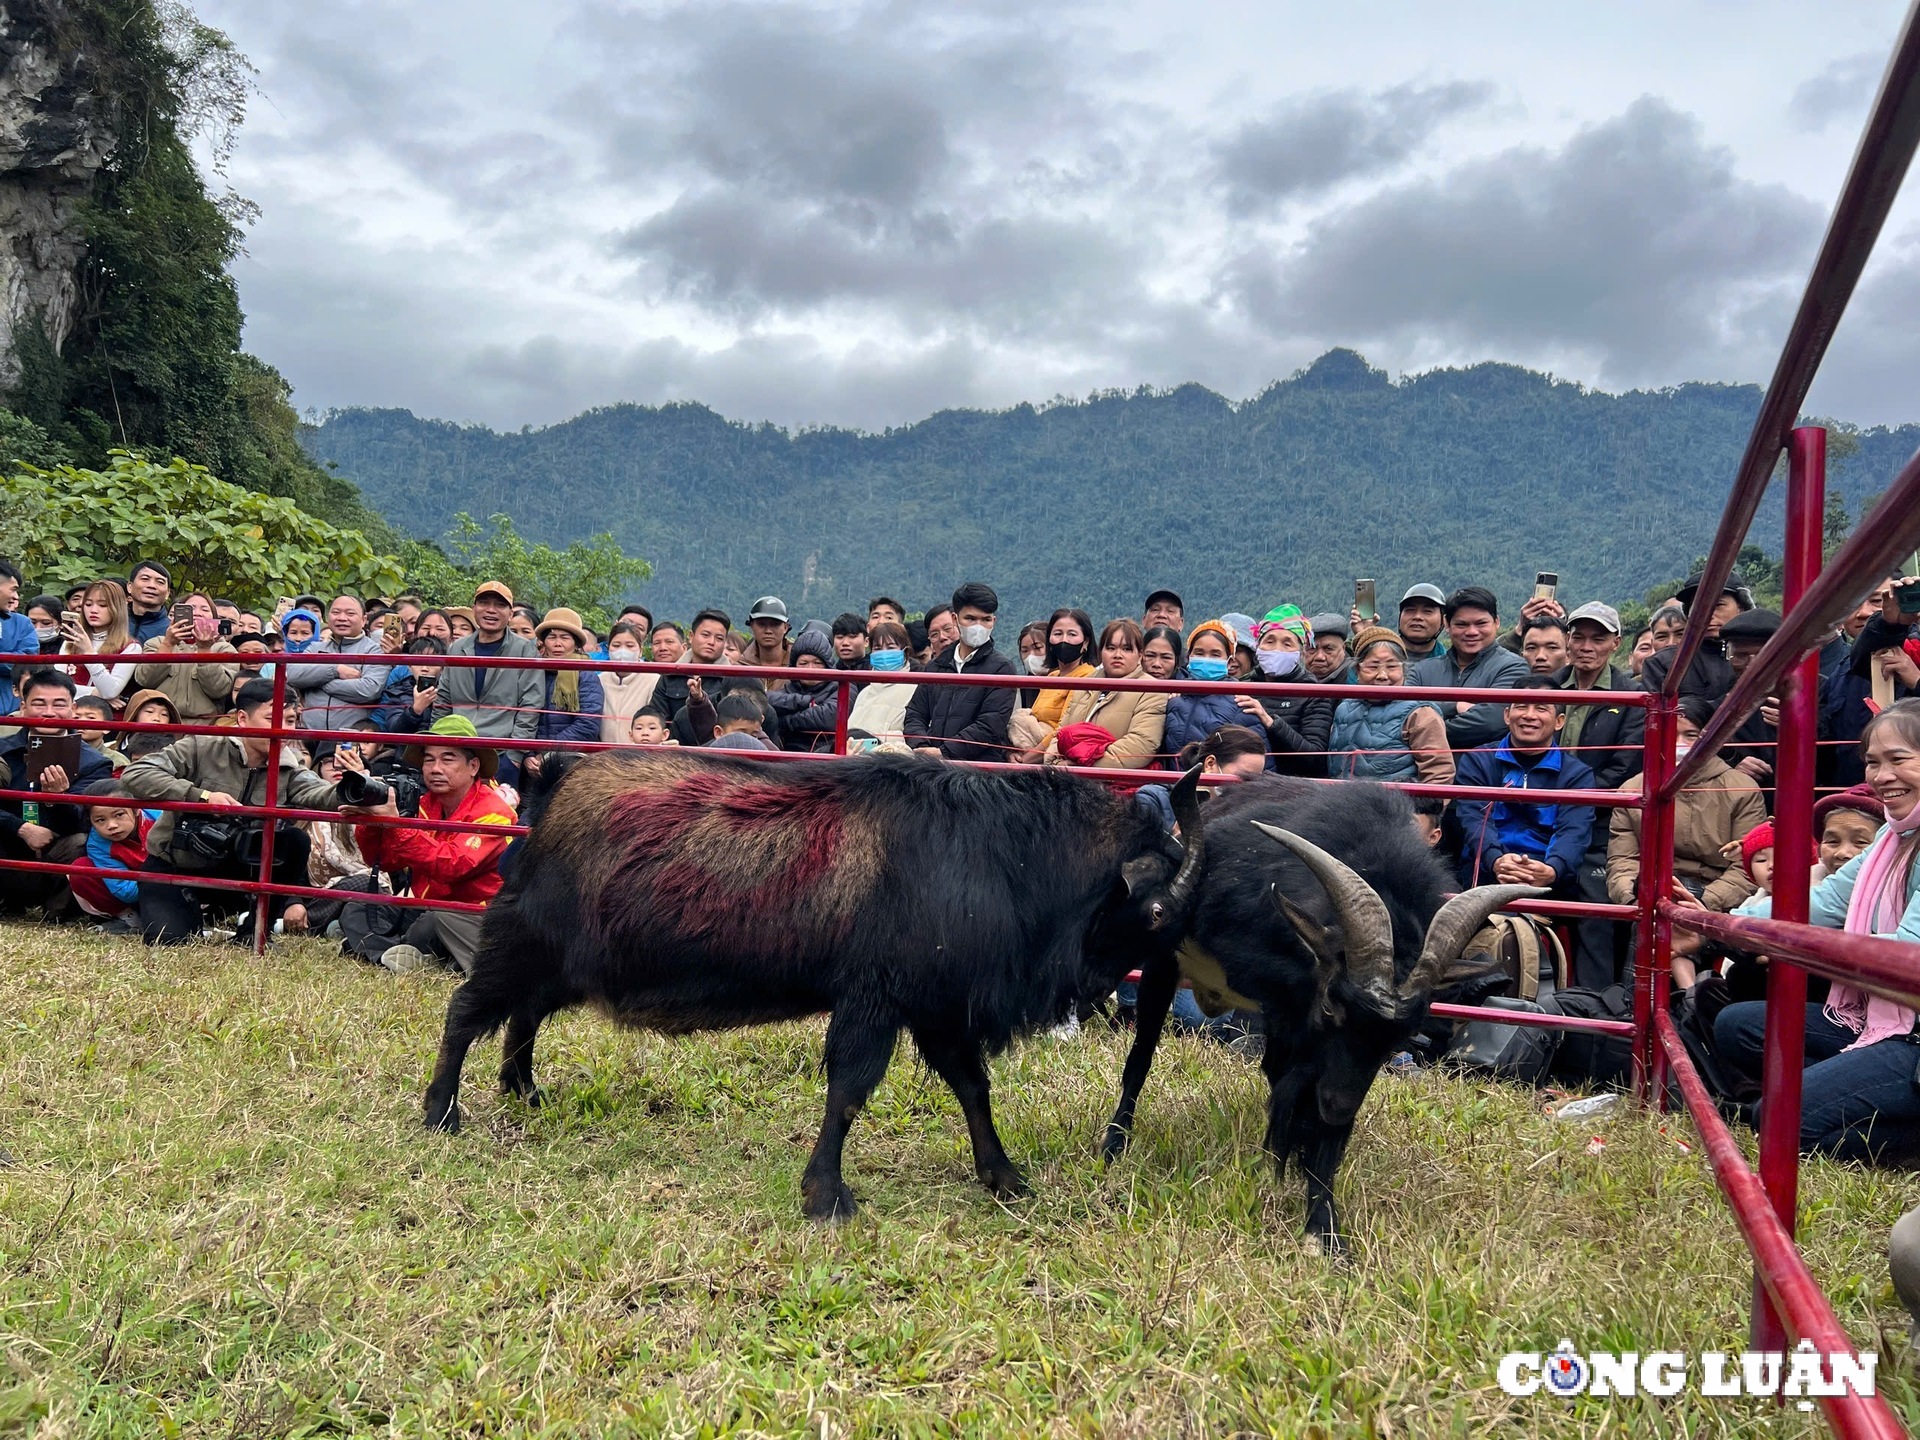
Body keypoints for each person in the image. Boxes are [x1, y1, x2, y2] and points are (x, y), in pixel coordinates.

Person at [1712, 701, 1920, 1162]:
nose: (1882, 775)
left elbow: (1908, 955)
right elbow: (1823, 903)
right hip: (1881, 1016)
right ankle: (1857, 1091)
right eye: (1873, 761)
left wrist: (1803, 950)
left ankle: (1902, 1130)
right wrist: (1727, 925)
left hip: (1913, 1031)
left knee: (1780, 1120)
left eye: (1899, 759)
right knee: (1737, 1026)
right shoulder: (1893, 837)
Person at [119, 678, 365, 945]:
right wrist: (201, 796)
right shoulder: (202, 746)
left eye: (291, 720)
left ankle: (256, 930)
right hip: (176, 864)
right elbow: (136, 773)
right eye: (272, 718)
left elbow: (322, 794)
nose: (283, 728)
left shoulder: (289, 767)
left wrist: (358, 783)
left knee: (295, 840)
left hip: (238, 868)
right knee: (168, 941)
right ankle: (189, 912)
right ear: (242, 718)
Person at [351, 715, 517, 975]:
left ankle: (391, 950)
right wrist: (372, 822)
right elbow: (383, 861)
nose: (435, 768)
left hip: (472, 918)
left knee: (435, 921)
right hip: (424, 906)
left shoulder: (495, 811)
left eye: (447, 758)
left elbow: (453, 865)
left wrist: (397, 825)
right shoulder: (422, 804)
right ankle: (390, 954)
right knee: (358, 906)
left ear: (473, 766)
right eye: (429, 759)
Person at [1607, 693, 1766, 918]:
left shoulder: (1741, 789)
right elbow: (1622, 860)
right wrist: (1634, 895)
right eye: (1670, 733)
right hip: (1650, 895)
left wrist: (1701, 901)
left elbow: (1748, 864)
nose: (1678, 744)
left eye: (1690, 735)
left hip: (1714, 901)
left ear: (1712, 738)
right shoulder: (1632, 789)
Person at [1555, 601, 1647, 989]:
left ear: (1616, 644)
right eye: (1579, 636)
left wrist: (1571, 795)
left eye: (1598, 638)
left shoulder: (1632, 697)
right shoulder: (1548, 687)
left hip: (1599, 822)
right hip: (1547, 816)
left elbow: (1623, 768)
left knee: (1595, 915)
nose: (1586, 646)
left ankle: (1592, 1009)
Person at [1452, 676, 1596, 895]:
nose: (1529, 715)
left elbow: (1574, 831)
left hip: (1546, 878)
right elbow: (1474, 820)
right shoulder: (1478, 760)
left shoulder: (1577, 774)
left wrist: (1552, 868)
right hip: (1485, 871)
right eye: (1521, 706)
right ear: (1507, 715)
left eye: (1541, 708)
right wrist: (1496, 860)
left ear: (1559, 721)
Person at [0, 669, 116, 913]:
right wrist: (21, 828)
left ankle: (57, 912)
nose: (49, 712)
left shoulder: (94, 762)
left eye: (59, 704)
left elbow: (85, 821)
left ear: (73, 709)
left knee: (83, 842)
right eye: (39, 703)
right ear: (22, 707)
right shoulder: (3, 750)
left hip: (56, 852)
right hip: (6, 847)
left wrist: (59, 799)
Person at [432, 581, 543, 788]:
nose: (491, 610)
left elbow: (530, 705)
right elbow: (443, 701)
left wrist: (514, 756)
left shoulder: (524, 651)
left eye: (499, 605)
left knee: (494, 815)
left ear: (510, 613)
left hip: (500, 751)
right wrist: (436, 743)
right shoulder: (457, 648)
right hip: (456, 747)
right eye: (484, 603)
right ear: (474, 608)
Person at [1326, 627, 1454, 786]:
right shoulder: (1344, 708)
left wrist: (1422, 812)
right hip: (1342, 805)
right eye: (1373, 666)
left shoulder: (1420, 713)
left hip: (1395, 808)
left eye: (1392, 666)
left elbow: (1439, 772)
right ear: (1358, 671)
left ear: (1404, 671)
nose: (1382, 675)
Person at [904, 582, 1016, 762]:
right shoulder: (936, 667)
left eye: (986, 619)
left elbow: (989, 725)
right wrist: (921, 745)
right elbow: (915, 713)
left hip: (979, 772)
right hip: (933, 767)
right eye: (970, 619)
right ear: (956, 620)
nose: (978, 626)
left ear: (993, 622)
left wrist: (944, 752)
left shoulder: (1002, 668)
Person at [1409, 586, 1529, 750]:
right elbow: (1403, 715)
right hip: (1425, 770)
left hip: (1485, 770)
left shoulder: (1513, 667)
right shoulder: (1422, 670)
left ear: (1496, 622)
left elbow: (1491, 722)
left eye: (1481, 623)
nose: (1472, 632)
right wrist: (1455, 706)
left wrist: (1424, 730)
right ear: (1447, 625)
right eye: (1461, 624)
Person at [1043, 619, 1167, 769]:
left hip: (1110, 782)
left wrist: (1084, 763)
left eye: (1127, 649)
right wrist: (1055, 762)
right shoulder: (1085, 683)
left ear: (1140, 655)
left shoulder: (1151, 690)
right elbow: (1061, 733)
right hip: (1068, 775)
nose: (1117, 655)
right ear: (1101, 652)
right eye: (1111, 648)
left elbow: (1140, 745)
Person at [1243, 605, 1333, 777]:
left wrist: (1271, 723)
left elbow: (1314, 759)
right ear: (1258, 646)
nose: (1277, 649)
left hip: (1291, 790)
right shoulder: (1242, 685)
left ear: (1300, 652)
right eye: (1269, 641)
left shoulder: (1314, 694)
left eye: (1287, 643)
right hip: (1245, 783)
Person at [1639, 570, 1752, 704]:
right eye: (1699, 606)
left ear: (1741, 608)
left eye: (1718, 605)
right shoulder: (1663, 663)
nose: (1708, 614)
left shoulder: (1760, 654)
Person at [284, 594, 391, 734]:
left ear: (364, 619)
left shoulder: (374, 651)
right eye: (336, 612)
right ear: (328, 617)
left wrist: (317, 681)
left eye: (350, 613)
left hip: (351, 737)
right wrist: (335, 670)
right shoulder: (315, 648)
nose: (342, 618)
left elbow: (368, 690)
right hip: (308, 734)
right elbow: (293, 674)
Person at [1163, 619, 1264, 765]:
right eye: (1199, 653)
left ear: (1229, 661)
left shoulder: (1241, 702)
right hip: (1171, 784)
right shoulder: (1174, 696)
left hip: (1215, 785)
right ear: (1189, 657)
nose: (1206, 659)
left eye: (1215, 655)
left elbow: (1258, 759)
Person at [130, 592, 237, 720]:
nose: (197, 613)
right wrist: (168, 644)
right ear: (177, 615)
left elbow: (218, 690)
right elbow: (145, 680)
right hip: (161, 721)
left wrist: (205, 650)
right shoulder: (157, 643)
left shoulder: (225, 649)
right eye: (190, 608)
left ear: (213, 618)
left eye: (205, 609)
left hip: (202, 726)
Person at [68, 781, 156, 932]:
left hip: (173, 889)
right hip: (143, 891)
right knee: (81, 870)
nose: (111, 825)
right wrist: (159, 882)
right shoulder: (97, 843)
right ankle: (130, 920)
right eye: (100, 820)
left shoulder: (159, 819)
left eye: (119, 814)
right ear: (90, 821)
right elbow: (124, 891)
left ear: (135, 809)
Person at [1010, 607, 1095, 761]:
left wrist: (1027, 759)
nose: (1064, 640)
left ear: (1085, 642)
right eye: (1057, 634)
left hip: (1049, 758)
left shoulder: (1087, 677)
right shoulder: (1053, 677)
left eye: (1072, 634)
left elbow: (1063, 729)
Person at [57, 579, 142, 703]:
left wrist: (88, 653)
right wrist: (94, 693)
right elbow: (55, 686)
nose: (93, 610)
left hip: (104, 717)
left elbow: (109, 691)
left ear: (117, 608)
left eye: (102, 605)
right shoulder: (70, 641)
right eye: (88, 604)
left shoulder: (131, 647)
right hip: (68, 713)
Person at [530, 607, 605, 748]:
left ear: (576, 644)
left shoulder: (586, 676)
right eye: (552, 637)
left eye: (565, 638)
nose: (558, 643)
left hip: (570, 756)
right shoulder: (534, 672)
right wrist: (529, 754)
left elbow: (588, 724)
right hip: (533, 754)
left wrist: (548, 751)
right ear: (544, 642)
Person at [844, 620, 917, 750]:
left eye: (890, 647)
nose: (883, 653)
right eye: (877, 648)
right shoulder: (864, 693)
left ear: (904, 652)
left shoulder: (915, 690)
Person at [769, 627, 842, 751]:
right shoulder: (789, 687)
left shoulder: (842, 686)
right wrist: (805, 702)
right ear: (794, 666)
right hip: (785, 755)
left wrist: (785, 721)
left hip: (826, 754)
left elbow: (829, 717)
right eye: (803, 663)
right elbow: (766, 701)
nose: (811, 669)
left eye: (818, 663)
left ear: (828, 665)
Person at [599, 621, 659, 742]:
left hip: (638, 756)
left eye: (630, 646)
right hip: (604, 756)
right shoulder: (600, 680)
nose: (622, 651)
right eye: (616, 645)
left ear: (640, 650)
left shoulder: (653, 679)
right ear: (608, 649)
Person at [374, 635, 446, 734]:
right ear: (409, 666)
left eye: (431, 662)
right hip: (409, 748)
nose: (424, 668)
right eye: (418, 662)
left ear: (443, 668)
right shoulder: (398, 692)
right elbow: (395, 730)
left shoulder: (448, 692)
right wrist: (415, 710)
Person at [1394, 583, 1449, 662]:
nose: (1417, 617)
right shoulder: (1379, 656)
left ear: (1443, 621)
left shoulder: (1451, 666)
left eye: (1427, 611)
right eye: (1410, 610)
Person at [743, 596, 793, 680]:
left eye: (775, 624)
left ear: (785, 627)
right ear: (752, 626)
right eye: (761, 624)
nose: (768, 630)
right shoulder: (740, 666)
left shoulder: (797, 666)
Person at [125, 560, 172, 644]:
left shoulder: (171, 630)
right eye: (145, 579)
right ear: (130, 587)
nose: (152, 586)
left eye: (160, 582)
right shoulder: (112, 623)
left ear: (167, 593)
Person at [1305, 614, 1352, 684]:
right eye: (1312, 648)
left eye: (1328, 649)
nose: (1319, 657)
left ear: (1343, 648)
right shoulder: (1294, 678)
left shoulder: (1356, 677)